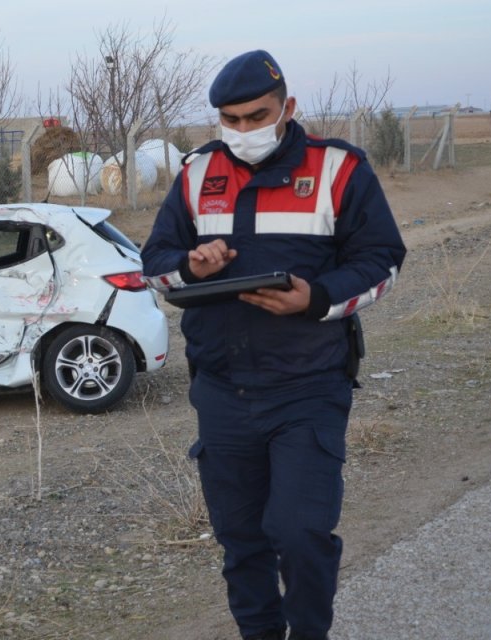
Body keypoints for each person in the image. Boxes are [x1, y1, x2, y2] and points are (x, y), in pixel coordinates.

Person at [141, 50, 407, 640]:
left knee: (300, 533)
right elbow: (154, 267)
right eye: (229, 120)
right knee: (242, 543)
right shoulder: (195, 172)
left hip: (308, 388)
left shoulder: (340, 168)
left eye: (255, 116)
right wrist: (191, 264)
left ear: (287, 107)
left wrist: (313, 298)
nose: (242, 131)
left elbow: (382, 262)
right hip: (221, 391)